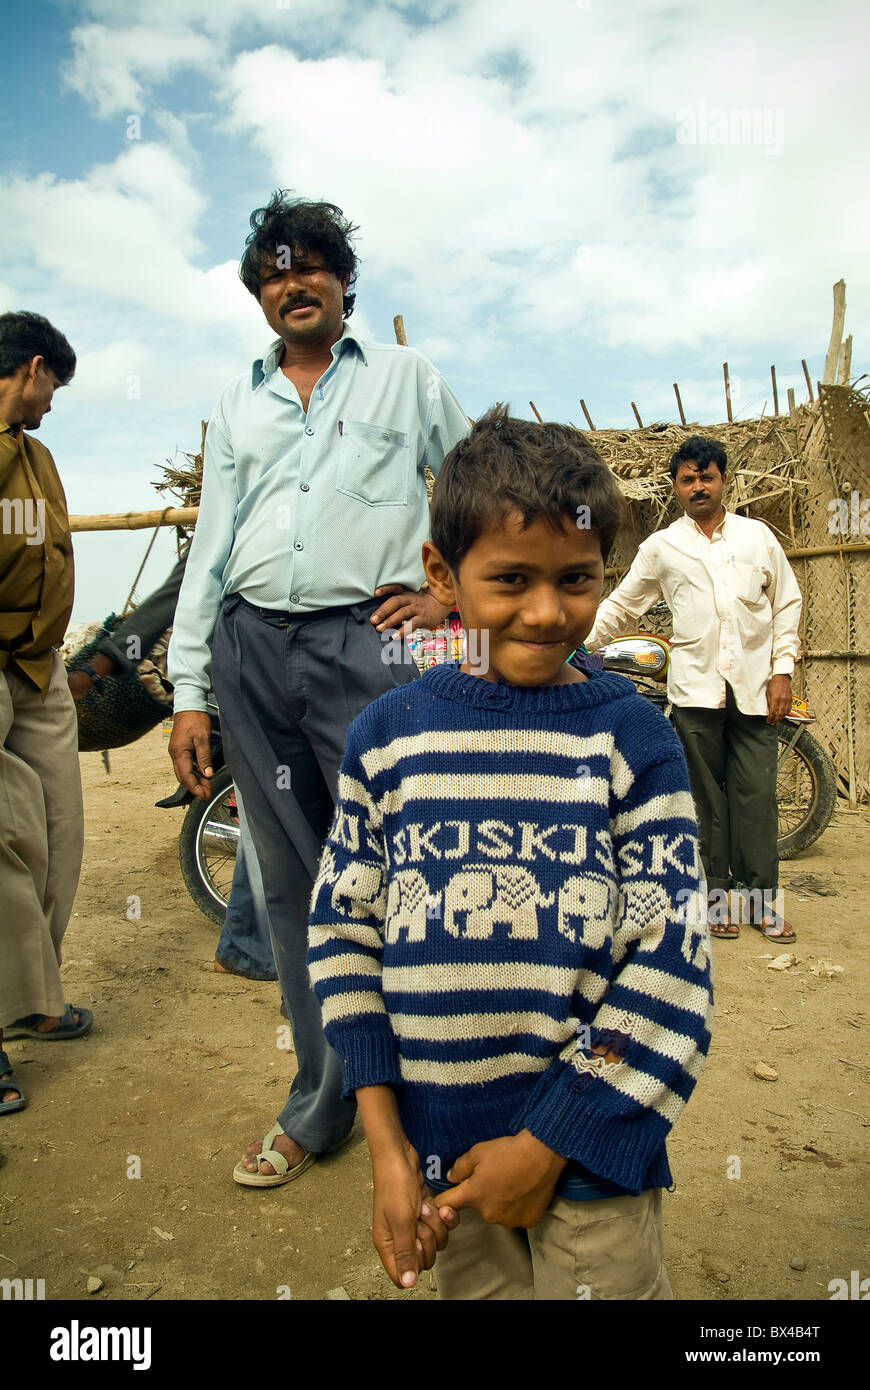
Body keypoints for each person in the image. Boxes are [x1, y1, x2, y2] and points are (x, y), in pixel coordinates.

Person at [307, 407, 713, 1300]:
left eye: (576, 579)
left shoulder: (633, 739)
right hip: (440, 1164)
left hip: (593, 1158)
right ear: (441, 577)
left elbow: (671, 966)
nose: (544, 611)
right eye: (510, 579)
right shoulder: (388, 737)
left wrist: (546, 1146)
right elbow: (344, 936)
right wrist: (385, 1146)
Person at [167, 192, 470, 1185]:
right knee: (293, 888)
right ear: (260, 294)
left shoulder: (406, 378)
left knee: (399, 871)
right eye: (272, 273)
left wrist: (452, 598)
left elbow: (478, 490)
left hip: (366, 648)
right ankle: (322, 1101)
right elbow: (212, 545)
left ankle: (435, 1103)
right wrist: (190, 688)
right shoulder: (239, 400)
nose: (292, 284)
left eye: (311, 267)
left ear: (344, 281)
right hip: (251, 652)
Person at [585, 435, 802, 943]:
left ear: (724, 480)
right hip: (695, 693)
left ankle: (763, 902)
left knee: (756, 797)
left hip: (753, 689)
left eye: (707, 476)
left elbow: (787, 605)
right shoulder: (662, 547)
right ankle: (719, 901)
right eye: (688, 479)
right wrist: (575, 642)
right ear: (677, 488)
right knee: (705, 803)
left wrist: (783, 671)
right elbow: (623, 605)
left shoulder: (758, 539)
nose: (698, 486)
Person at [68, 544, 277, 980]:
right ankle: (254, 947)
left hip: (267, 683)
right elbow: (172, 598)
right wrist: (97, 669)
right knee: (273, 813)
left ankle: (247, 944)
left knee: (265, 817)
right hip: (251, 683)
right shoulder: (238, 518)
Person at [0, 310, 90, 1117]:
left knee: (59, 830)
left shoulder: (38, 457)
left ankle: (34, 992)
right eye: (54, 385)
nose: (54, 401)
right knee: (4, 838)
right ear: (32, 369)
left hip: (38, 666)